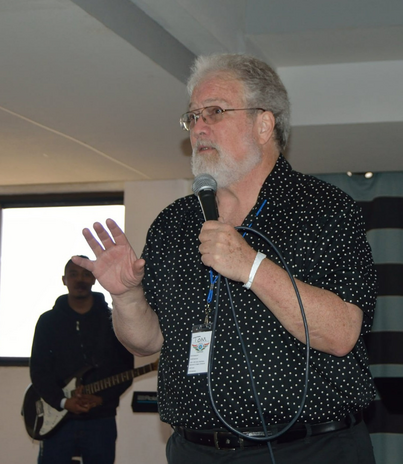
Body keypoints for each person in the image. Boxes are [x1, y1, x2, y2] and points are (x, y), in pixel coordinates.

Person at [75, 53, 378, 464]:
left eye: (215, 112)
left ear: (264, 124)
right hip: (195, 450)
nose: (198, 127)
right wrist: (126, 296)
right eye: (192, 116)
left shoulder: (324, 209)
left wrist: (251, 267)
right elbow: (147, 341)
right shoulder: (174, 223)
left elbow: (342, 334)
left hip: (309, 450)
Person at [29, 257, 134, 464]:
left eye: (86, 274)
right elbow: (39, 371)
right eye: (73, 274)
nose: (80, 280)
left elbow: (126, 370)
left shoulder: (114, 320)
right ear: (64, 280)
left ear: (94, 279)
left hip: (101, 419)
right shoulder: (48, 322)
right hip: (57, 418)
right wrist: (62, 401)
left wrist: (101, 399)